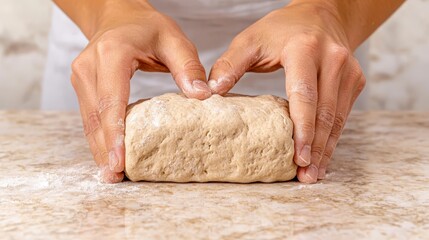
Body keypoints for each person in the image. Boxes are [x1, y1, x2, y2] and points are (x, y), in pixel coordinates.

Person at [47, 0, 404, 183]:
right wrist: (108, 10)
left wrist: (333, 11)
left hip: (310, 49)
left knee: (309, 133)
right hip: (110, 37)